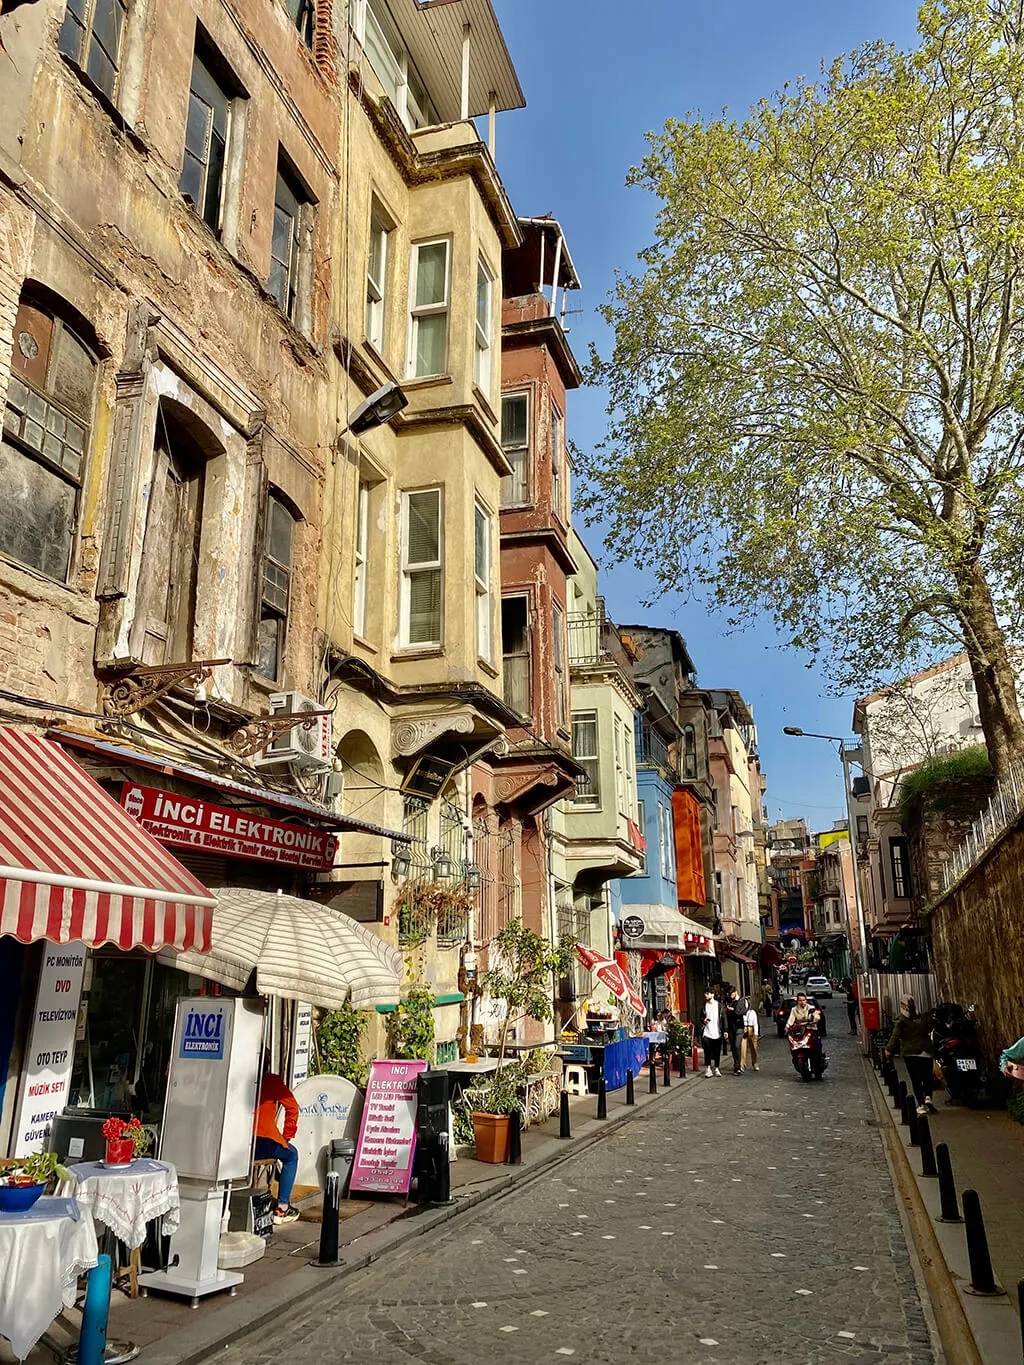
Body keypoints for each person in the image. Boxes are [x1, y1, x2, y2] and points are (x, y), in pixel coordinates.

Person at [254, 1056, 301, 1224]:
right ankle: (282, 1208)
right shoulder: (271, 1081)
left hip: (235, 1142)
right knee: (292, 1155)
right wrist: (286, 1136)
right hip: (263, 1141)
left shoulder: (236, 1078)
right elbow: (293, 1107)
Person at [886, 996, 936, 1116]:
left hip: (911, 1053)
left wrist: (889, 1049)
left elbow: (895, 1036)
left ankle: (921, 1104)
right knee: (927, 1077)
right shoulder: (922, 1018)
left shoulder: (902, 1021)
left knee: (916, 1079)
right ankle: (928, 1097)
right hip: (926, 1052)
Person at [701, 988, 724, 1077]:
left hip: (717, 1032)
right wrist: (703, 1020)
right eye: (705, 993)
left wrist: (725, 1030)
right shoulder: (704, 1005)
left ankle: (717, 1068)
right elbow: (700, 1017)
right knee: (707, 1051)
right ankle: (708, 1068)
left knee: (717, 1051)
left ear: (712, 994)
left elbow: (723, 1018)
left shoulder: (719, 1005)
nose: (706, 995)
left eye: (707, 993)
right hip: (707, 1032)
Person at [724, 985, 747, 1074]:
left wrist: (733, 1008)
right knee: (733, 1047)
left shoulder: (741, 1001)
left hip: (739, 1026)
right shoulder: (728, 1001)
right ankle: (736, 1065)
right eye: (729, 994)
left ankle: (738, 1066)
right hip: (731, 1027)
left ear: (735, 992)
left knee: (737, 1045)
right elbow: (725, 1014)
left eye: (732, 994)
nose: (731, 996)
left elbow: (740, 1012)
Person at [741, 999, 760, 1072]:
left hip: (751, 1029)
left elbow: (755, 1023)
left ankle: (755, 1063)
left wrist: (756, 1033)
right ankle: (742, 1065)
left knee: (753, 1048)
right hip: (743, 1029)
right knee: (742, 1049)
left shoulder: (752, 1012)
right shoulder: (740, 1013)